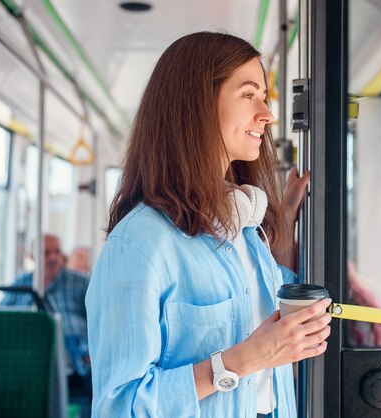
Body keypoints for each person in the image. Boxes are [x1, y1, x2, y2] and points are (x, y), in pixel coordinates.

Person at [86, 32, 331, 418]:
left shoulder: (247, 231)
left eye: (264, 97)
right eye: (249, 95)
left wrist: (286, 216)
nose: (267, 114)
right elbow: (120, 408)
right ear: (196, 106)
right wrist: (243, 359)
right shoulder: (139, 245)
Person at [0, 234, 92, 413]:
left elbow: (99, 321)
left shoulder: (80, 284)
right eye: (46, 253)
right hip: (27, 369)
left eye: (56, 252)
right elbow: (1, 322)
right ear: (32, 256)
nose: (53, 258)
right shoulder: (20, 285)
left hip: (75, 369)